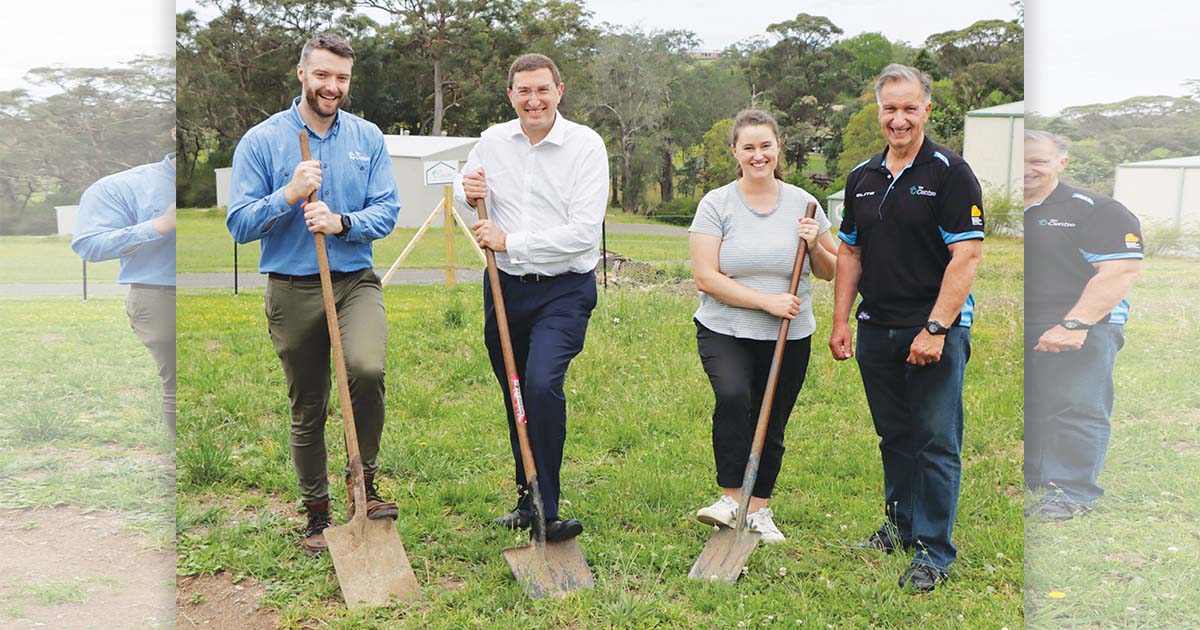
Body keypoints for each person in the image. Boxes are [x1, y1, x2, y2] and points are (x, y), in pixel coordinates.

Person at [226, 33, 401, 554]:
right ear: (301, 73)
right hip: (291, 287)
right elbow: (238, 224)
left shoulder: (367, 137)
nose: (332, 86)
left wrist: (341, 220)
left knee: (366, 370)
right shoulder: (262, 141)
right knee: (309, 402)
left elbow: (387, 210)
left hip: (353, 281)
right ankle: (317, 512)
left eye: (341, 78)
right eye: (322, 75)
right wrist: (289, 195)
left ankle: (364, 486)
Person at [829, 64, 984, 592]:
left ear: (926, 110)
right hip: (877, 328)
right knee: (894, 435)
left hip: (932, 330)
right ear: (879, 111)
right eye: (889, 108)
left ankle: (933, 552)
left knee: (935, 441)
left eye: (909, 108)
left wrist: (937, 328)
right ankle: (899, 526)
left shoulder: (949, 172)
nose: (899, 119)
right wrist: (841, 321)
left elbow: (965, 256)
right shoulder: (862, 177)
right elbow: (850, 250)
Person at [453, 53, 608, 543]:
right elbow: (470, 194)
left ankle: (550, 509)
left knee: (540, 385)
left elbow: (584, 235)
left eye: (542, 89)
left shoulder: (586, 146)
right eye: (524, 91)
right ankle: (527, 499)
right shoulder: (492, 141)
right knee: (515, 390)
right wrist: (464, 187)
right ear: (511, 95)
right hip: (504, 287)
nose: (533, 99)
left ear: (560, 91)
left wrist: (509, 242)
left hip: (564, 289)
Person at [688, 109, 836, 543]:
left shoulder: (803, 202)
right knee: (734, 399)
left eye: (765, 146)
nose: (758, 155)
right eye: (748, 147)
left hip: (789, 334)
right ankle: (731, 500)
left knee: (772, 420)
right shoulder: (716, 203)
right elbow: (705, 276)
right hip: (725, 328)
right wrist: (766, 301)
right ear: (735, 152)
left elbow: (830, 271)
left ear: (778, 148)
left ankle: (759, 510)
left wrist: (813, 245)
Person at [1023, 130, 1142, 522]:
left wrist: (1075, 323)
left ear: (1062, 162)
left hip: (1081, 325)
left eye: (1038, 160)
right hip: (1032, 322)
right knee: (1038, 404)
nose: (1028, 169)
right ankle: (1038, 476)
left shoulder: (1097, 209)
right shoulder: (1016, 212)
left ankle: (1070, 491)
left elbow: (1120, 269)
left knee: (1075, 406)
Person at [71, 130, 177, 437]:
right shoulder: (121, 186)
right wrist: (158, 226)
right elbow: (88, 245)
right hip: (158, 298)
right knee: (177, 383)